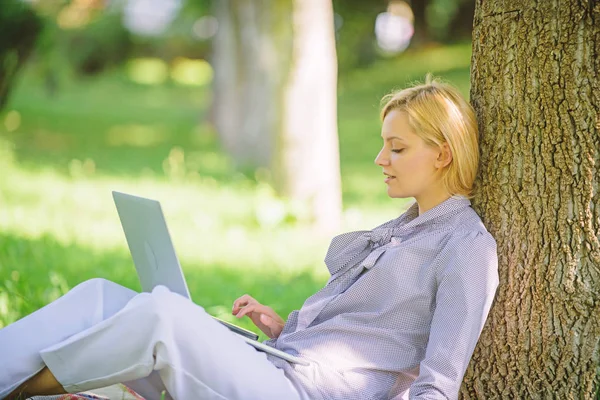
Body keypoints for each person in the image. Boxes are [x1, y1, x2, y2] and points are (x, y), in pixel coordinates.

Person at [0, 76, 498, 400]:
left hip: (304, 396)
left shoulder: (465, 247)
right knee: (100, 297)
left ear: (442, 154)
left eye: (397, 147)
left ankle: (24, 390)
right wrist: (283, 331)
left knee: (160, 314)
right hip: (279, 367)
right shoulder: (400, 229)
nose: (380, 159)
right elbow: (364, 339)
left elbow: (438, 382)